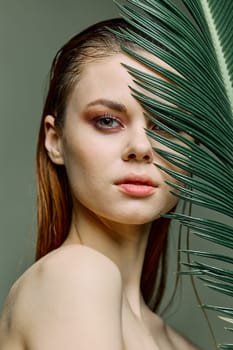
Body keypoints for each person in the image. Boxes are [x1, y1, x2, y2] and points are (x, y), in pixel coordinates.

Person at [0, 18, 200, 350]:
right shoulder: (75, 276)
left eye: (166, 124)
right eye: (107, 121)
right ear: (56, 140)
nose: (141, 147)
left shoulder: (179, 343)